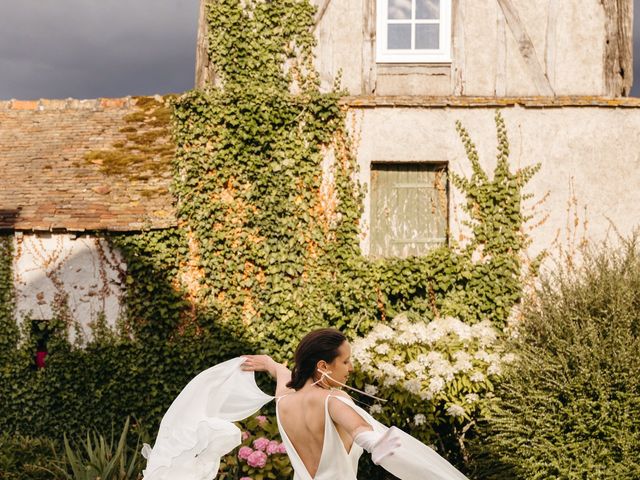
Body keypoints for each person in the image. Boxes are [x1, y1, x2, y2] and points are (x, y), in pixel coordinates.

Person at [141, 328, 469, 480]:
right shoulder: (334, 400)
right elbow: (361, 432)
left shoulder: (285, 402)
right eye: (347, 361)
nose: (351, 368)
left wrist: (270, 364)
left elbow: (284, 375)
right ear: (323, 366)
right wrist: (383, 445)